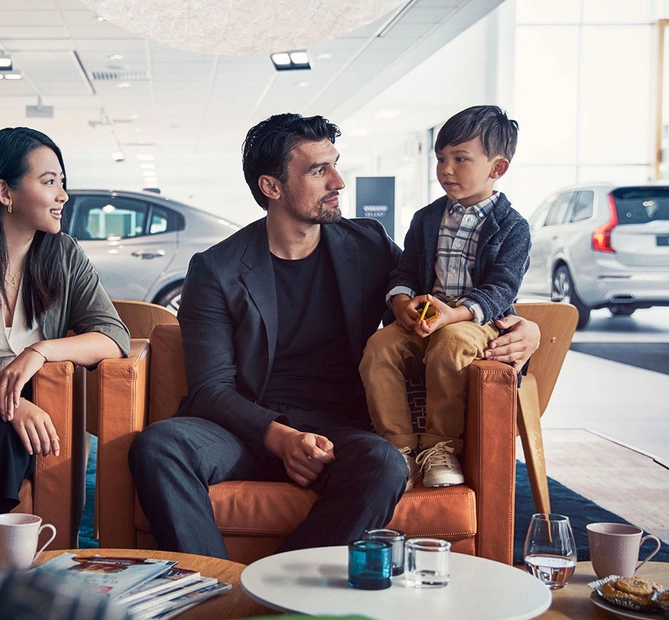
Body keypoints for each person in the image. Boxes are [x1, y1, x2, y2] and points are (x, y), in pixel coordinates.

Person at [128, 113, 540, 559]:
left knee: (384, 465)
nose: (339, 181)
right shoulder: (217, 269)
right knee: (159, 446)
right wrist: (281, 438)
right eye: (319, 170)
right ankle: (214, 592)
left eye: (335, 165)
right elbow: (211, 389)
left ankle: (279, 591)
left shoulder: (366, 245)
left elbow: (439, 301)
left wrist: (524, 330)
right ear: (272, 187)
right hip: (245, 430)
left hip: (341, 431)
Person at [359, 105, 531, 491]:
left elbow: (501, 288)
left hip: (474, 323)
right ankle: (397, 447)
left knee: (450, 346)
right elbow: (404, 271)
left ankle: (441, 447)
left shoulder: (513, 227)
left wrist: (453, 315)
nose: (446, 169)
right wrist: (401, 303)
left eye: (460, 159)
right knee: (379, 347)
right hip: (423, 316)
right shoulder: (426, 218)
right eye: (440, 159)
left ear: (497, 168)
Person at [0, 127, 129, 514]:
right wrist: (8, 402)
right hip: (13, 411)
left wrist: (40, 351)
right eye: (49, 182)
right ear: (5, 192)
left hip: (32, 403)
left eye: (62, 182)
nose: (63, 195)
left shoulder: (64, 254)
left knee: (13, 437)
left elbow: (113, 335)